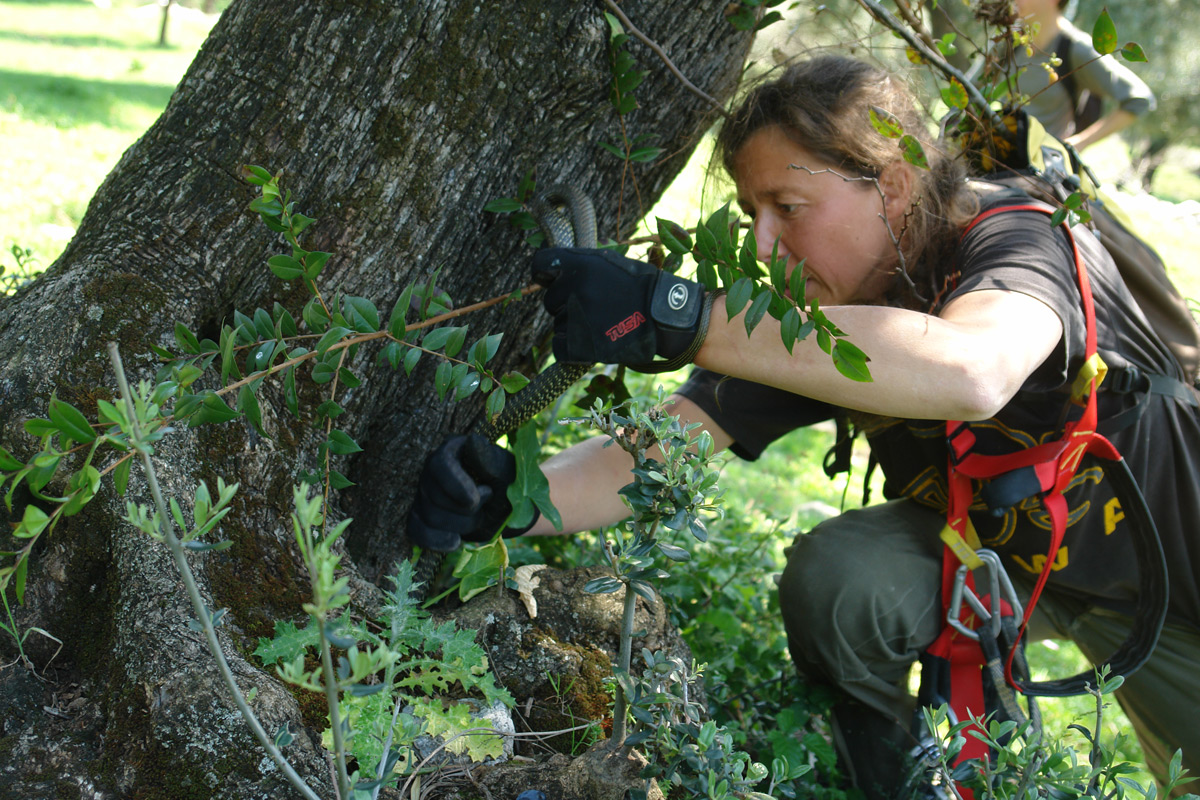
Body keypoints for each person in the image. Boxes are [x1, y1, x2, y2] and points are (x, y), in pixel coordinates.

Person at [407, 55, 1199, 799]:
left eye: (787, 207)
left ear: (891, 183)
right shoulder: (820, 309)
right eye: (752, 211)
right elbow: (662, 447)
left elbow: (972, 369)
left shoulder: (1020, 239)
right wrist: (514, 497)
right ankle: (894, 782)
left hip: (1178, 579)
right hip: (1003, 563)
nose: (762, 242)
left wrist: (677, 314)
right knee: (841, 579)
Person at [1011, 0, 1156, 150]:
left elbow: (1139, 98)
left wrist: (1078, 143)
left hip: (1040, 166)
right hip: (1000, 156)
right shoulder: (1010, 42)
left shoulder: (1075, 48)